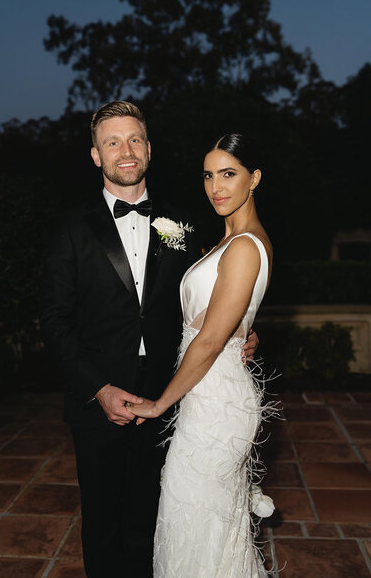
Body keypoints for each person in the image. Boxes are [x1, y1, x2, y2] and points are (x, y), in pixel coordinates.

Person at [40, 103, 259, 578]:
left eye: (135, 139)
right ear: (96, 155)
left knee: (153, 521)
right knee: (101, 524)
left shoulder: (176, 225)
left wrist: (239, 328)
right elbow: (55, 322)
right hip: (97, 399)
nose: (125, 150)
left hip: (170, 394)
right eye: (112, 142)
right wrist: (98, 388)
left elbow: (207, 292)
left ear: (149, 149)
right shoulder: (71, 228)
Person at [130, 133, 275, 577]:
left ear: (254, 179)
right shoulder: (225, 242)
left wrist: (158, 404)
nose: (217, 186)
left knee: (196, 519)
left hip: (217, 402)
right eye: (209, 175)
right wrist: (247, 332)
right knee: (201, 524)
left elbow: (211, 340)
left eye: (229, 174)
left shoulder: (246, 245)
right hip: (207, 394)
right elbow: (226, 317)